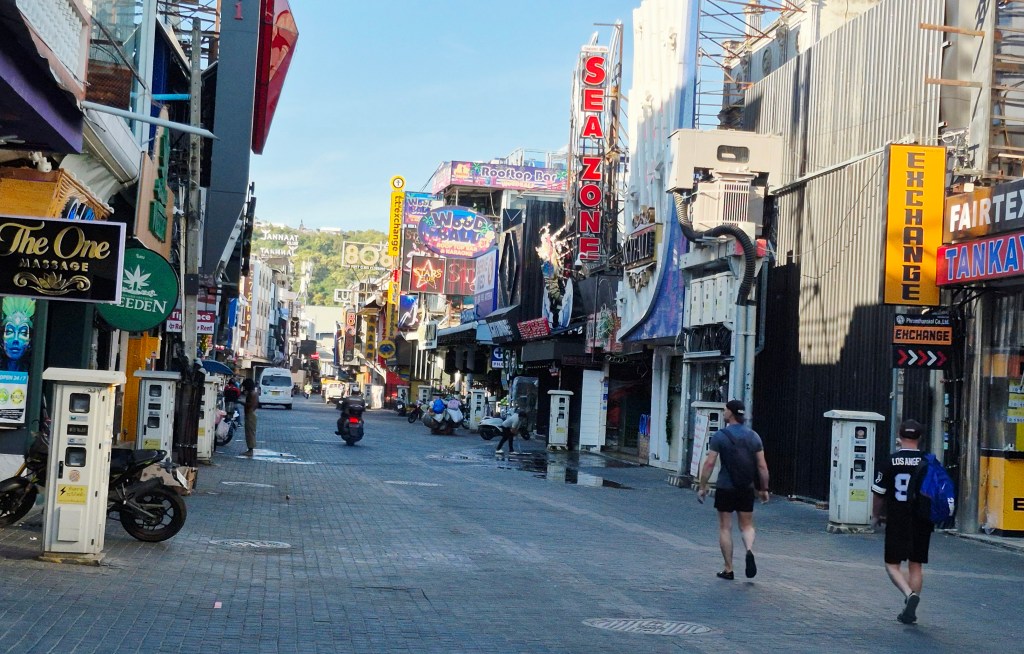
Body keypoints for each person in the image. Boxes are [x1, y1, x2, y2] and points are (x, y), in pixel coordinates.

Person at [697, 399, 770, 580]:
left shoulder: (720, 436)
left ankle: (728, 569)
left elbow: (709, 463)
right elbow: (762, 466)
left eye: (725, 410)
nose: (723, 412)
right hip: (746, 487)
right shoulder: (754, 436)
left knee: (725, 527)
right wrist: (764, 489)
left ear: (730, 413)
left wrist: (702, 485)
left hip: (725, 487)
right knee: (747, 525)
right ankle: (749, 549)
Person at [871, 419, 932, 625]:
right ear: (920, 437)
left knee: (892, 564)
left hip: (898, 517)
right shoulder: (928, 462)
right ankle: (909, 610)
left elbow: (879, 493)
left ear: (899, 435)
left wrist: (875, 516)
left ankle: (908, 594)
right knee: (916, 565)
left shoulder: (891, 461)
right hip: (922, 518)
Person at [241, 378, 259, 456]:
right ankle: (250, 449)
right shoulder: (253, 393)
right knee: (250, 432)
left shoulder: (251, 394)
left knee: (250, 432)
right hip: (251, 413)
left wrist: (241, 402)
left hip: (250, 414)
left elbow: (250, 404)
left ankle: (250, 450)